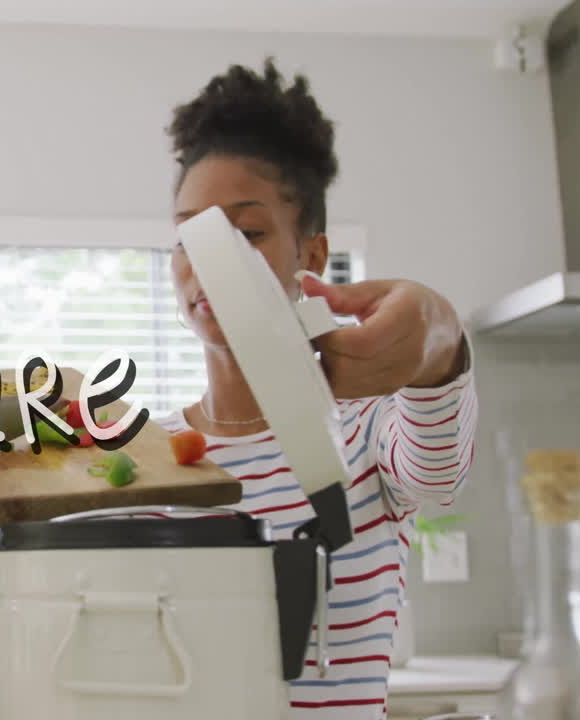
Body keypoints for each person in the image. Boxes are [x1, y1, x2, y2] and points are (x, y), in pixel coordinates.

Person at [159, 59, 476, 719]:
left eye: (247, 233)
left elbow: (439, 467)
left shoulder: (360, 432)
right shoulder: (154, 456)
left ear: (309, 255)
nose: (207, 264)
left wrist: (436, 333)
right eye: (191, 237)